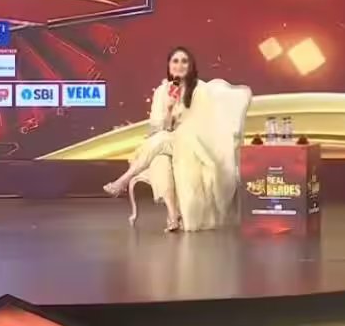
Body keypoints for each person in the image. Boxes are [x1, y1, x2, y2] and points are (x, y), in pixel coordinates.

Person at [103, 47, 250, 233]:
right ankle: (173, 216)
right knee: (160, 159)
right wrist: (169, 109)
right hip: (171, 140)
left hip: (198, 142)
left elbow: (206, 124)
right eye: (175, 61)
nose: (179, 65)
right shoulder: (162, 91)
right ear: (169, 65)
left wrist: (181, 127)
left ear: (190, 66)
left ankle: (124, 180)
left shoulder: (200, 89)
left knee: (163, 140)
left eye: (184, 61)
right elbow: (160, 128)